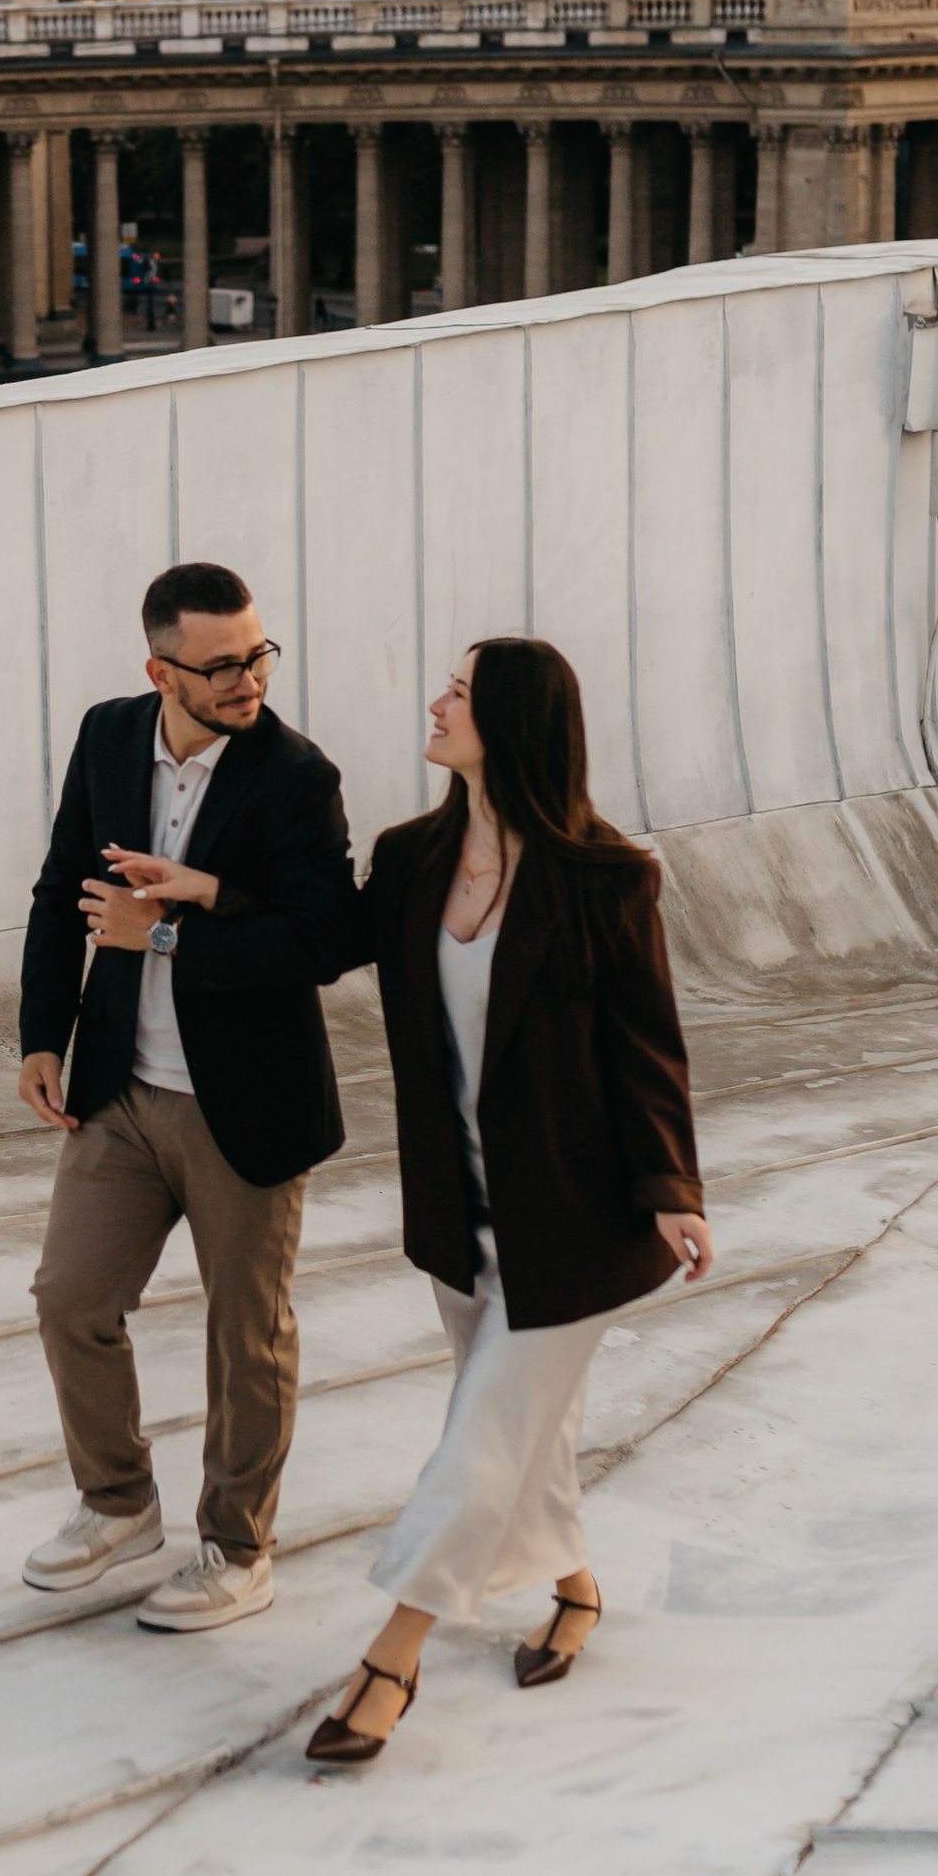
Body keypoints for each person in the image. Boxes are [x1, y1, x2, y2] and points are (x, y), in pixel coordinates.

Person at [305, 636, 710, 1765]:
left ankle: (392, 1658)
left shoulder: (604, 877)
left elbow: (646, 1048)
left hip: (576, 1223)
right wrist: (201, 898)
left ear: (515, 723)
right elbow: (320, 944)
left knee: (482, 1440)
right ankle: (575, 1589)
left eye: (463, 693)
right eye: (444, 684)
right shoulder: (409, 858)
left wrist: (671, 1187)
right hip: (460, 1217)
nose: (436, 703)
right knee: (524, 1435)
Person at [17, 563, 359, 1630]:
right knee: (70, 1299)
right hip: (121, 1088)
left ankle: (234, 1546)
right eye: (220, 665)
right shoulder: (109, 736)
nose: (248, 679)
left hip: (242, 1103)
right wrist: (42, 1033)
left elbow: (327, 939)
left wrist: (173, 925)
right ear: (159, 669)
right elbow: (59, 880)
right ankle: (117, 1501)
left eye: (258, 655)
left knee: (242, 1335)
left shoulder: (296, 777)